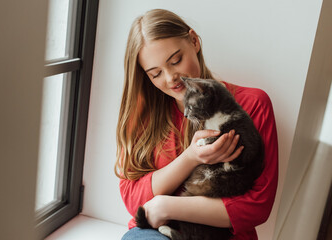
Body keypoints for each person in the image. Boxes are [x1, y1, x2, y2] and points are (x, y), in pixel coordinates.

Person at [115, 9, 278, 240]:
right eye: (155, 73)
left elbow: (257, 205)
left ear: (194, 41)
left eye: (176, 61)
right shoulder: (142, 116)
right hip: (154, 234)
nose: (171, 77)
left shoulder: (252, 105)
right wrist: (191, 157)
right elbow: (134, 201)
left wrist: (165, 206)